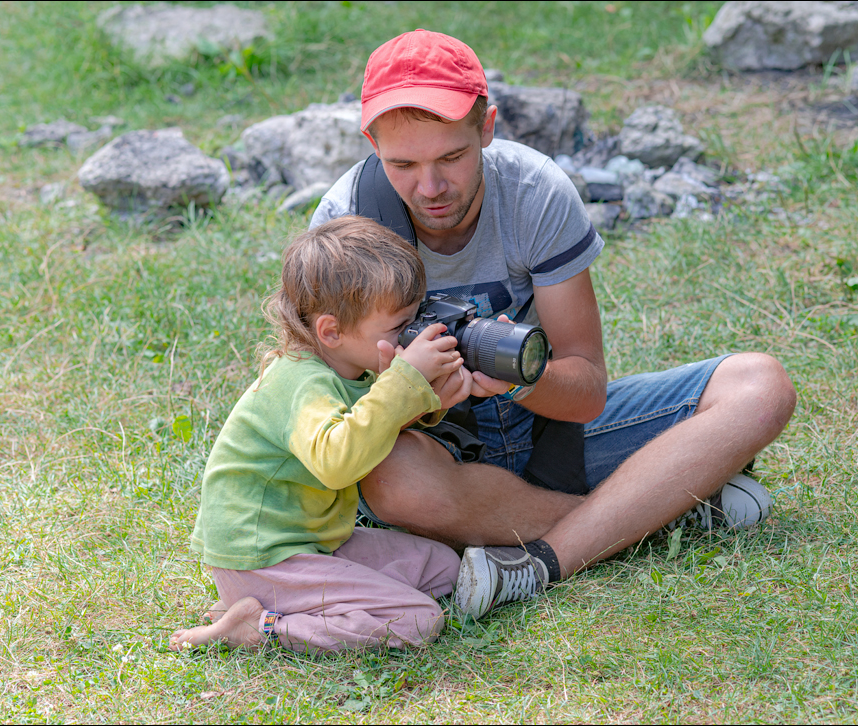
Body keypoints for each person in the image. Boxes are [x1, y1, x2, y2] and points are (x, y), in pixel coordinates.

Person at [308, 30, 798, 619]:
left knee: (760, 386)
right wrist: (413, 395)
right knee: (393, 480)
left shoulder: (533, 191)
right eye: (403, 164)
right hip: (433, 455)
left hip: (549, 429)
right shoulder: (346, 221)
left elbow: (587, 388)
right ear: (371, 143)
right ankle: (657, 509)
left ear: (487, 127)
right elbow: (337, 419)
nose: (430, 188)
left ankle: (537, 561)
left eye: (452, 157)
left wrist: (520, 379)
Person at [169, 216, 474, 654]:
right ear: (331, 332)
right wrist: (405, 381)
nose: (409, 337)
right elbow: (338, 462)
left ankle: (267, 604)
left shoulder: (349, 367)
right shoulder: (300, 382)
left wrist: (433, 398)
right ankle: (261, 626)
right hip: (265, 557)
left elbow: (374, 420)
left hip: (316, 544)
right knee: (418, 619)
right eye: (399, 328)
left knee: (442, 568)